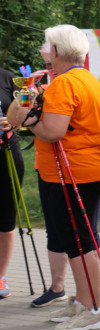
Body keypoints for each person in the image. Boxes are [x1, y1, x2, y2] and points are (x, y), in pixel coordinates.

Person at [7, 25, 100, 330]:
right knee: (80, 238)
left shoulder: (64, 85)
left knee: (79, 240)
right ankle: (84, 300)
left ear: (58, 51)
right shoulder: (86, 79)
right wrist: (27, 100)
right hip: (81, 171)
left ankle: (94, 308)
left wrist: (32, 123)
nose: (43, 53)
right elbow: (14, 117)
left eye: (47, 47)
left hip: (73, 174)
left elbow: (52, 131)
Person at [28, 41, 71, 308]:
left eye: (51, 62)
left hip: (74, 170)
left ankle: (90, 294)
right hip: (46, 168)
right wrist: (28, 94)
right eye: (44, 65)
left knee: (79, 233)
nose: (49, 69)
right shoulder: (41, 90)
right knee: (54, 230)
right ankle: (57, 288)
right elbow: (21, 120)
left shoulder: (74, 85)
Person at [0, 66, 26, 299]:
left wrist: (13, 122)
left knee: (6, 217)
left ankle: (0, 276)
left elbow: (22, 114)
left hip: (6, 152)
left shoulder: (7, 77)